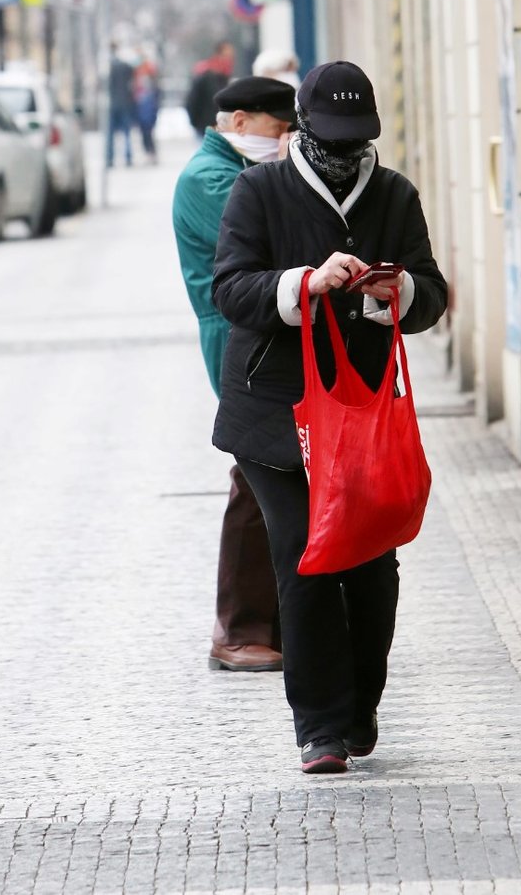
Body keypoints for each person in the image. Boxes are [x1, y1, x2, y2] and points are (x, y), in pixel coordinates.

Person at [211, 60, 448, 773]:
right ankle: (319, 727)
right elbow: (232, 288)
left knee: (373, 565)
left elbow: (431, 295)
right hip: (274, 410)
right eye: (331, 138)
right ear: (304, 128)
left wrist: (396, 289)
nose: (344, 154)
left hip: (361, 415)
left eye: (357, 139)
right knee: (305, 558)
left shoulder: (395, 194)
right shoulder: (259, 190)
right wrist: (303, 284)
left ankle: (359, 710)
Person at [172, 75, 298, 672]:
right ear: (241, 122)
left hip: (261, 334)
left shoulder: (233, 168)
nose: (287, 142)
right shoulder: (210, 178)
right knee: (255, 473)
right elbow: (271, 237)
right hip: (237, 339)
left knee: (271, 471)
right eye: (281, 130)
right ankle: (237, 628)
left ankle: (272, 621)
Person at [185, 41, 235, 138]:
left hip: (221, 131)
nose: (229, 59)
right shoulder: (205, 76)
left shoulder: (225, 78)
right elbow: (192, 101)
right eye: (227, 55)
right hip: (205, 130)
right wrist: (197, 125)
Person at [106, 46, 136, 168]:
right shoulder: (126, 67)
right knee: (126, 133)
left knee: (110, 134)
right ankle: (128, 157)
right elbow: (132, 83)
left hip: (113, 104)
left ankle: (110, 158)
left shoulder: (109, 68)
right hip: (125, 103)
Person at [133, 47, 161, 162]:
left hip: (147, 106)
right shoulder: (138, 71)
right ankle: (149, 152)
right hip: (142, 106)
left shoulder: (148, 69)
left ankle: (151, 152)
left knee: (148, 131)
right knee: (145, 131)